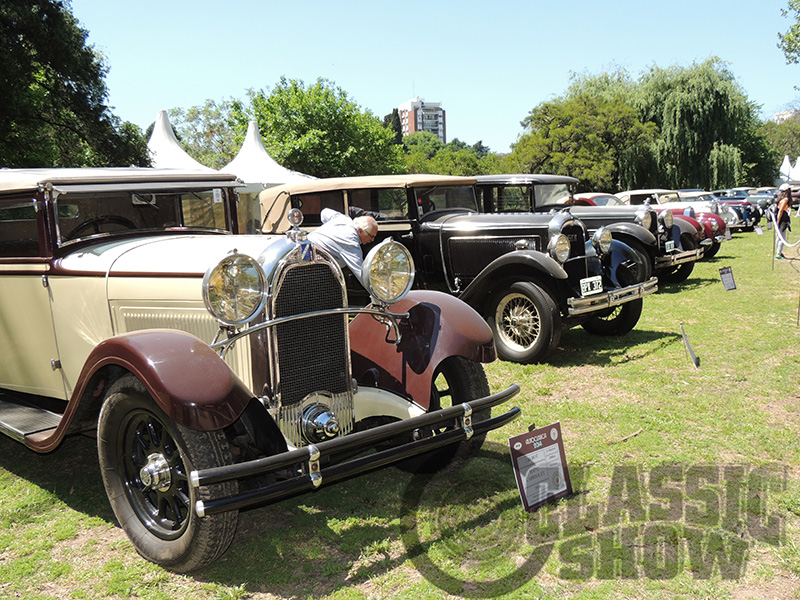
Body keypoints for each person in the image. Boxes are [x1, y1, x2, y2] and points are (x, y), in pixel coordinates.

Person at [307, 208, 378, 283]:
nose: (372, 240)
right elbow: (362, 275)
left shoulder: (343, 219)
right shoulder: (351, 243)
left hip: (305, 249)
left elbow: (324, 212)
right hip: (308, 264)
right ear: (360, 230)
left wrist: (329, 230)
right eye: (371, 236)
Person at [775, 184, 792, 259]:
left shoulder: (781, 199)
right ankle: (778, 253)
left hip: (781, 218)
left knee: (779, 236)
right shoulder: (785, 200)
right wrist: (778, 221)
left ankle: (778, 252)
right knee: (782, 237)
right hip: (782, 219)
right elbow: (781, 211)